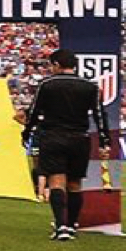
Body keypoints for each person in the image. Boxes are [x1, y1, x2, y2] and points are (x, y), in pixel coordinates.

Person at [20, 49, 111, 240]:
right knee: (75, 184)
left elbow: (34, 112)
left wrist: (26, 133)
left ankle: (61, 226)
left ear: (56, 65)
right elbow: (100, 115)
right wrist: (105, 141)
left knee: (56, 182)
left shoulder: (47, 85)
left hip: (53, 137)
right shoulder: (90, 87)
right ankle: (72, 225)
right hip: (79, 138)